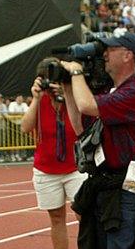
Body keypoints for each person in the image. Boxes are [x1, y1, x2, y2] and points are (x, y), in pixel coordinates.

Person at [60, 32, 135, 249]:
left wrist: (76, 71)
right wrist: (68, 88)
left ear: (127, 55)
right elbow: (80, 127)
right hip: (104, 186)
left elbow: (87, 106)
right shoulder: (110, 93)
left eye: (111, 49)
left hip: (127, 188)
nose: (104, 54)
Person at [20, 58, 86, 249]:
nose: (52, 84)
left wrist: (67, 95)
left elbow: (82, 126)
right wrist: (36, 99)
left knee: (84, 215)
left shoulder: (73, 98)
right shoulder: (40, 101)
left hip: (76, 168)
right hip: (46, 169)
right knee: (56, 218)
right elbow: (25, 127)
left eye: (56, 79)